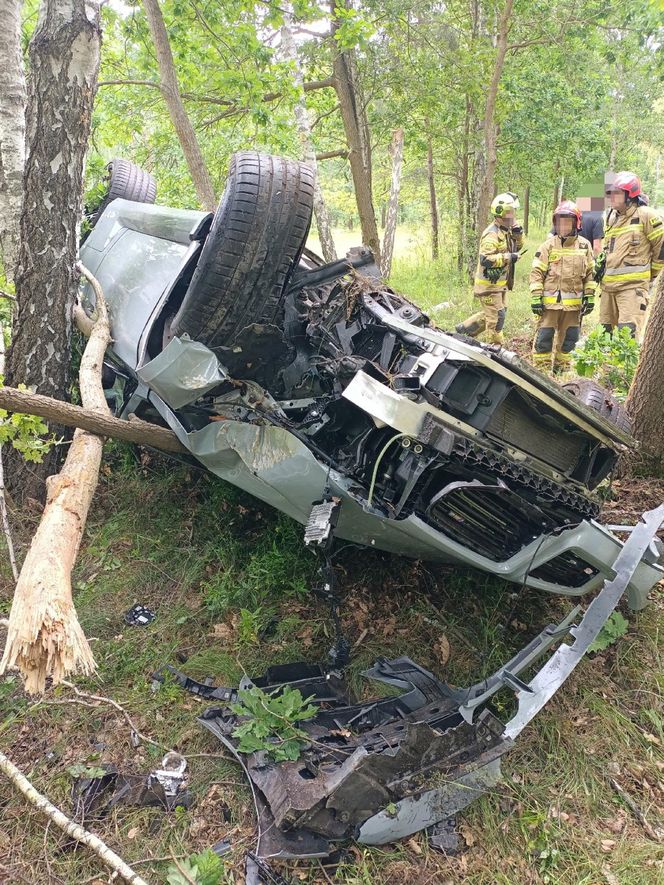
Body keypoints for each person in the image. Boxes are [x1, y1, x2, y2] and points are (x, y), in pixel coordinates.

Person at [529, 201, 596, 374]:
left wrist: (589, 296)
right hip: (549, 306)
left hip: (573, 307)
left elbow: (590, 274)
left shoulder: (584, 246)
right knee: (544, 339)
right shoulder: (548, 246)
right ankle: (540, 375)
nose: (563, 225)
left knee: (569, 341)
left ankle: (562, 374)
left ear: (576, 223)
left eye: (567, 222)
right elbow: (536, 272)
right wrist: (536, 297)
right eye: (559, 222)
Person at [599, 171, 664, 339]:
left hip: (631, 290)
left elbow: (661, 249)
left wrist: (651, 275)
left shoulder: (646, 215)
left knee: (626, 338)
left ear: (630, 195)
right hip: (608, 289)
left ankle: (624, 367)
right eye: (610, 193)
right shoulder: (612, 218)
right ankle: (607, 366)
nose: (612, 197)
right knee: (604, 336)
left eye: (617, 193)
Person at [456, 192, 523, 345]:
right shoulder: (491, 234)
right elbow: (485, 259)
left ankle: (464, 330)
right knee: (497, 318)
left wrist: (518, 236)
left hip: (500, 285)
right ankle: (494, 348)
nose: (513, 215)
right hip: (489, 286)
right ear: (500, 213)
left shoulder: (507, 230)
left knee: (497, 313)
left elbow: (516, 247)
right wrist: (509, 258)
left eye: (513, 211)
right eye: (510, 212)